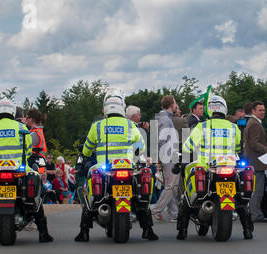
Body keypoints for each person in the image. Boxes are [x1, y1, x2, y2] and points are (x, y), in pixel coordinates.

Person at [75, 88, 158, 242]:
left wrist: (85, 157)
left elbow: (87, 149)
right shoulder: (130, 125)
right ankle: (147, 230)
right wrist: (135, 159)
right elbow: (141, 146)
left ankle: (84, 232)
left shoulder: (97, 126)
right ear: (122, 106)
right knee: (140, 198)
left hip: (104, 168)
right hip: (128, 168)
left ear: (105, 106)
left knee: (90, 196)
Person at [178, 95, 254, 240]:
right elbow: (239, 147)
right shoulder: (234, 127)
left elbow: (188, 147)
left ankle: (182, 230)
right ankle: (247, 230)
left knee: (188, 197)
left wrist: (181, 154)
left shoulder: (202, 126)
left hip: (206, 167)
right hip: (230, 167)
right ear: (224, 109)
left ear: (210, 110)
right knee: (239, 199)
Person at [0, 99, 53, 242]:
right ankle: (43, 233)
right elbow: (29, 149)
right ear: (12, 112)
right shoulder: (21, 127)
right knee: (35, 194)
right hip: (19, 168)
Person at [151, 95, 180, 223]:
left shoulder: (162, 118)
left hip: (166, 156)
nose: (176, 105)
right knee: (172, 185)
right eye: (175, 103)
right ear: (171, 105)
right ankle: (156, 210)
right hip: (169, 156)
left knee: (170, 185)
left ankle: (174, 214)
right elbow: (162, 140)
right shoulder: (166, 120)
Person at [244, 101, 267, 223]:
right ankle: (255, 214)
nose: (263, 112)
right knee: (257, 190)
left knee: (255, 189)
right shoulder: (254, 124)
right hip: (256, 161)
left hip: (253, 160)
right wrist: (266, 149)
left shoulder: (252, 122)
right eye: (260, 110)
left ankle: (254, 213)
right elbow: (254, 143)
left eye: (264, 110)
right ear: (253, 111)